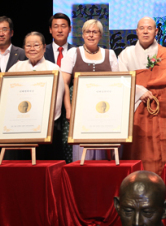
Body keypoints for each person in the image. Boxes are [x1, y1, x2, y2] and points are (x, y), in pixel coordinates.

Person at [118, 17, 166, 176]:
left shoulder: (164, 52)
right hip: (137, 105)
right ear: (136, 31)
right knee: (138, 147)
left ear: (156, 31)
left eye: (149, 28)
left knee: (161, 149)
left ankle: (163, 186)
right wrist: (139, 90)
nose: (145, 31)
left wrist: (148, 86)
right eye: (142, 28)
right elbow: (122, 80)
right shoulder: (126, 54)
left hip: (160, 107)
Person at [62, 19, 119, 162]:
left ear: (100, 35)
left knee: (102, 147)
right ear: (83, 35)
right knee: (82, 149)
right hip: (80, 109)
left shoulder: (109, 54)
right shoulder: (73, 53)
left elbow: (117, 84)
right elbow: (64, 82)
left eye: (95, 32)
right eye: (88, 32)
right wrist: (68, 109)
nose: (91, 35)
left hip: (103, 108)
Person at [8, 32, 66, 160]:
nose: (32, 48)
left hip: (46, 127)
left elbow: (57, 100)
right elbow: (8, 96)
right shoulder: (16, 68)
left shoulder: (54, 69)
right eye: (28, 45)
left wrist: (41, 119)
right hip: (20, 126)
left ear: (44, 48)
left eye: (36, 45)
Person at [45, 13, 75, 162]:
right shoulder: (42, 52)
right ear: (50, 30)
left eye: (63, 26)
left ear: (70, 29)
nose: (60, 30)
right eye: (55, 26)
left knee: (69, 146)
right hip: (48, 108)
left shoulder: (77, 52)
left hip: (71, 107)